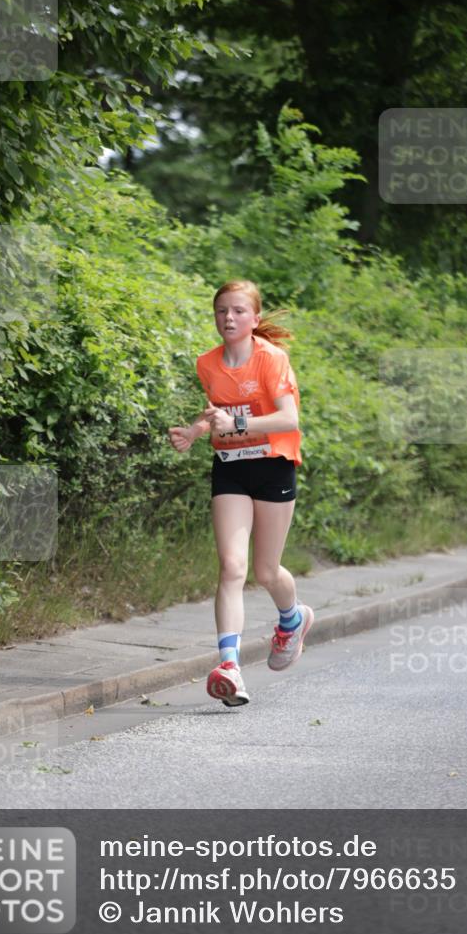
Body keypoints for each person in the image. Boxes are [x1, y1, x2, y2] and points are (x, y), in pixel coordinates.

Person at [167, 279, 314, 707]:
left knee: (266, 572)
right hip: (230, 467)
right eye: (221, 312)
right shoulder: (207, 363)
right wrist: (197, 430)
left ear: (254, 318)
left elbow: (288, 419)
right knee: (232, 566)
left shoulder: (272, 359)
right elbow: (220, 412)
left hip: (272, 466)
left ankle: (293, 619)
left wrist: (240, 428)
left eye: (237, 311)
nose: (228, 319)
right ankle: (229, 666)